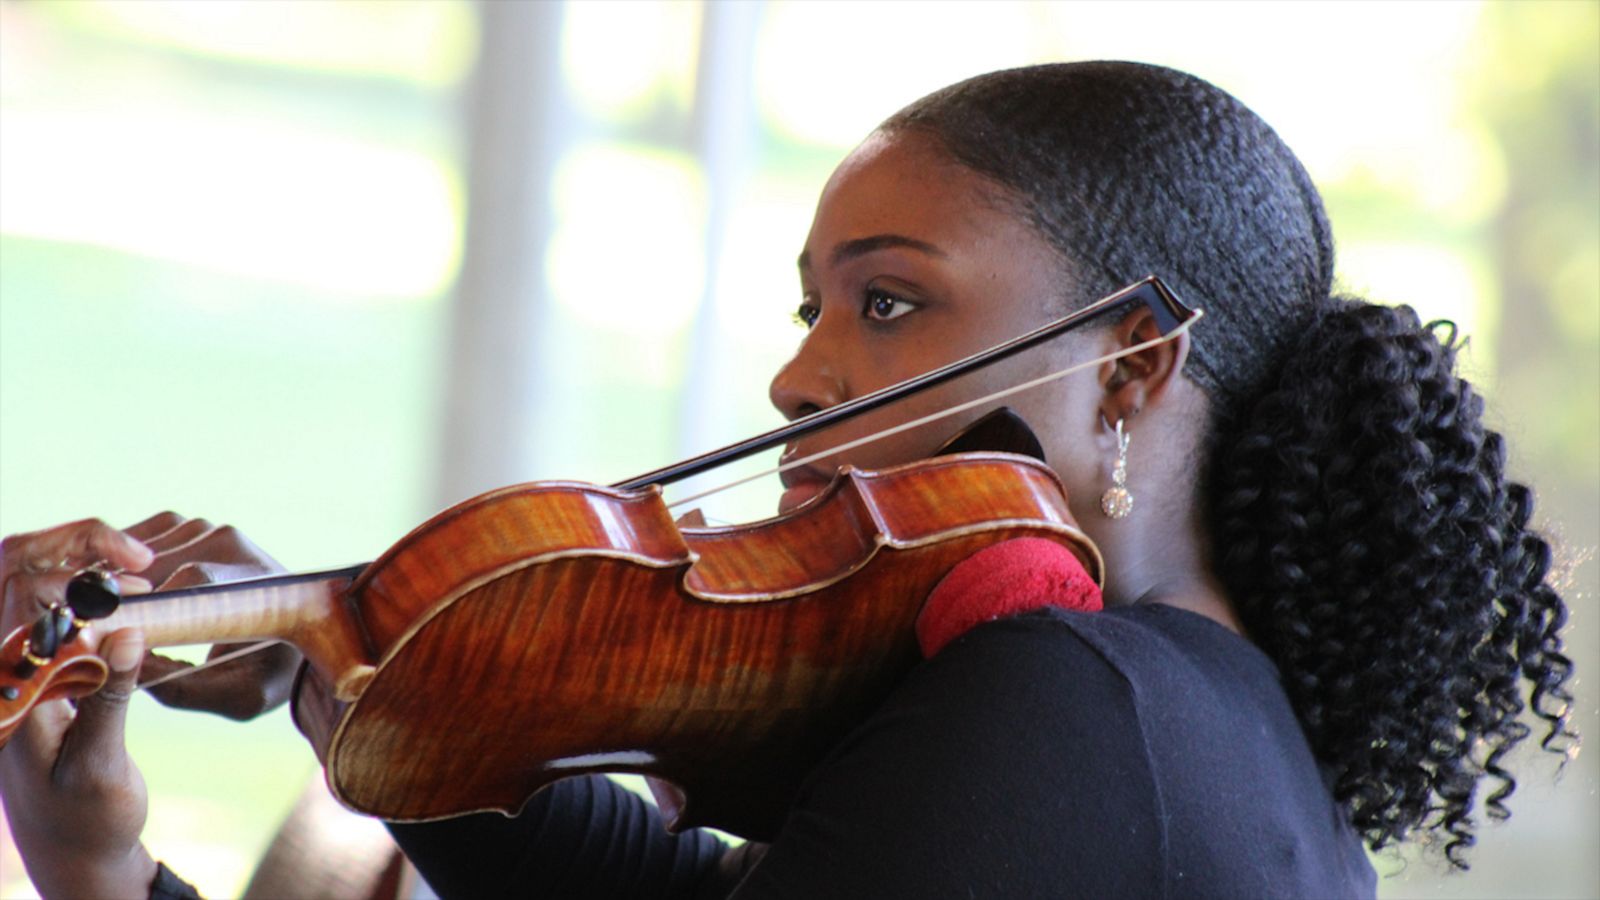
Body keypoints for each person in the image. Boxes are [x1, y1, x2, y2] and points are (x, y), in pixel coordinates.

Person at [0, 61, 1578, 898]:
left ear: (1134, 363)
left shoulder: (1073, 696)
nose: (800, 376)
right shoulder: (1200, 731)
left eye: (889, 303)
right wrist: (357, 661)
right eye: (809, 305)